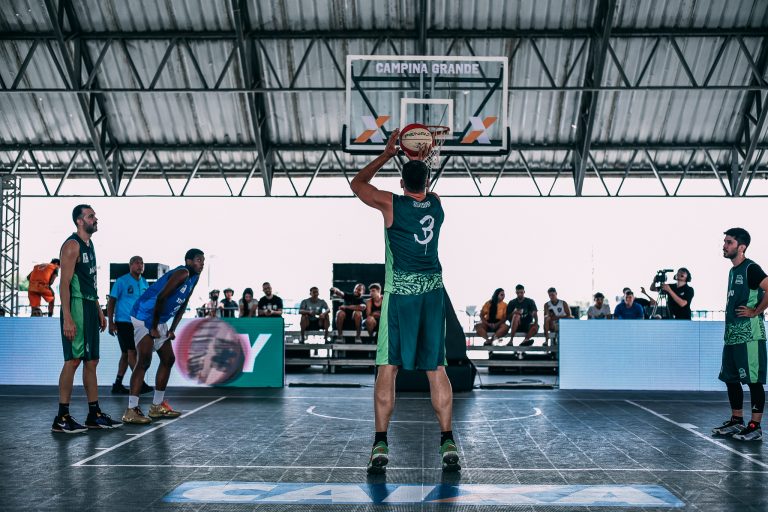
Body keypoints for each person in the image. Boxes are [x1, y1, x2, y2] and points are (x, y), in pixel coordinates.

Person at [350, 128, 459, 473]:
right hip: (433, 293)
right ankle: (447, 441)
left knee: (388, 367)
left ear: (400, 183)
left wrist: (387, 154)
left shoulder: (391, 204)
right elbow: (425, 188)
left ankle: (380, 442)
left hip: (401, 295)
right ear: (426, 180)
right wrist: (419, 160)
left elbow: (357, 184)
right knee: (436, 368)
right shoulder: (438, 205)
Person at [52, 204, 122, 433]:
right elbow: (64, 284)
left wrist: (99, 310)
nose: (95, 219)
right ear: (79, 221)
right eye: (91, 216)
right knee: (73, 360)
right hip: (76, 306)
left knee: (92, 361)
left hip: (90, 306)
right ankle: (62, 417)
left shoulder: (89, 245)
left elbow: (89, 282)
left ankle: (94, 414)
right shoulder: (72, 246)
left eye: (94, 216)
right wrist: (67, 317)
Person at [122, 248, 204, 425]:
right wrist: (153, 327)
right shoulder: (183, 273)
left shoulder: (194, 277)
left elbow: (184, 303)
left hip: (158, 318)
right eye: (198, 260)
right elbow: (160, 298)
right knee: (144, 361)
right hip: (144, 314)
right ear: (188, 261)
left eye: (203, 261)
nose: (202, 264)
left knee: (168, 359)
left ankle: (157, 406)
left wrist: (172, 328)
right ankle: (131, 410)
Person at [711, 228, 767, 442]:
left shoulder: (751, 268)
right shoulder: (733, 271)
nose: (724, 246)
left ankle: (755, 426)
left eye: (729, 242)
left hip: (749, 335)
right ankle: (737, 420)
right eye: (725, 241)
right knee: (731, 379)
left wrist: (756, 311)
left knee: (753, 380)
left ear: (741, 247)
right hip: (732, 335)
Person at [107, 255, 152, 395]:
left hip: (139, 323)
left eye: (142, 263)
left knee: (126, 354)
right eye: (137, 263)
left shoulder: (144, 282)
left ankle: (117, 384)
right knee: (132, 352)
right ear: (130, 265)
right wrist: (110, 322)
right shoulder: (121, 281)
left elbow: (147, 303)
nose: (140, 265)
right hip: (124, 321)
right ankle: (140, 383)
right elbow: (111, 301)